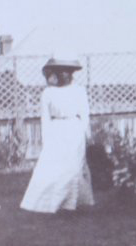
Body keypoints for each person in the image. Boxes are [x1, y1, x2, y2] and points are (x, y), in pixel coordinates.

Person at [20, 57, 94, 213]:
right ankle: (51, 203)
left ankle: (71, 203)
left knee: (74, 166)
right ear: (55, 73)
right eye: (61, 71)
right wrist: (46, 139)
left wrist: (84, 133)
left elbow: (84, 114)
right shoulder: (48, 93)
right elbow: (45, 118)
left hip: (74, 130)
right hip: (56, 131)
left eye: (67, 71)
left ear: (72, 73)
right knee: (53, 167)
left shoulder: (79, 91)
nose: (64, 74)